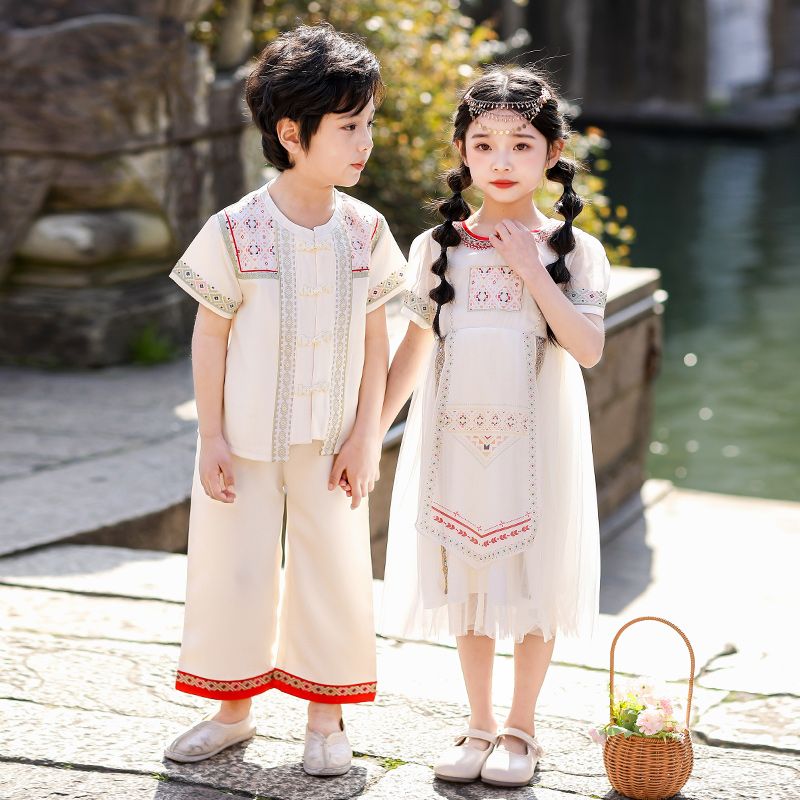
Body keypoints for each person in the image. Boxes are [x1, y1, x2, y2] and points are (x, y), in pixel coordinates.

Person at [163, 23, 407, 776]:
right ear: (291, 132)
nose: (365, 141)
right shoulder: (236, 230)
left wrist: (368, 435)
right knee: (232, 568)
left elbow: (378, 343)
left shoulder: (366, 230)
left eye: (368, 124)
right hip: (245, 438)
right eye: (350, 127)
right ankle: (231, 712)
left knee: (331, 567)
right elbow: (210, 337)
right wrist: (211, 436)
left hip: (333, 440)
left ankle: (326, 720)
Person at [379, 65, 611, 787]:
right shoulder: (434, 249)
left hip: (541, 444)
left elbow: (589, 348)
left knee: (534, 578)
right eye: (484, 145)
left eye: (520, 144)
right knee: (469, 578)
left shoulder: (574, 250)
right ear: (462, 153)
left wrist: (533, 272)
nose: (502, 161)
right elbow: (414, 351)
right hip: (455, 442)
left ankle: (522, 727)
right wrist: (364, 438)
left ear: (552, 153)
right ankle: (478, 723)